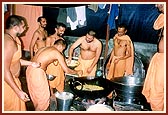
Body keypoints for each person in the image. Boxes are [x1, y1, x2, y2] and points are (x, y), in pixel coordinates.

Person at [26, 40, 82, 111]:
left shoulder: (44, 48)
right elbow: (67, 70)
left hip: (30, 69)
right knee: (43, 100)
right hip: (37, 73)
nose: (62, 51)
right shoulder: (56, 52)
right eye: (63, 49)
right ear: (60, 46)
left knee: (36, 97)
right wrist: (77, 72)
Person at [4, 15, 40, 111]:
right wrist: (18, 91)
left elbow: (15, 60)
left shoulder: (14, 39)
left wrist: (31, 64)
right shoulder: (8, 42)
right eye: (23, 26)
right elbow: (4, 70)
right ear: (15, 28)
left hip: (13, 81)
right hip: (7, 84)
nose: (25, 28)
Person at [142, 4, 164, 111]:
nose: (156, 5)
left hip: (164, 61)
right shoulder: (164, 18)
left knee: (158, 92)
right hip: (160, 60)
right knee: (156, 91)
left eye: (158, 2)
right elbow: (156, 26)